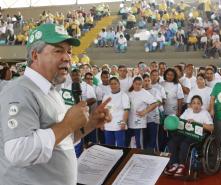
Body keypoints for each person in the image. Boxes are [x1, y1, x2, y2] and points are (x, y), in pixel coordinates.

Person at [0, 23, 111, 185]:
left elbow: (59, 140)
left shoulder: (50, 90)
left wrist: (91, 123)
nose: (67, 57)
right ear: (35, 55)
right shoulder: (20, 90)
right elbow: (18, 151)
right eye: (58, 50)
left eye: (69, 52)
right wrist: (67, 124)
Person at [165, 95, 213, 177]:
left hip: (197, 136)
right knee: (172, 142)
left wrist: (197, 123)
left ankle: (182, 165)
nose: (196, 105)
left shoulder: (205, 113)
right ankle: (174, 164)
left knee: (184, 144)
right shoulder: (187, 111)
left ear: (201, 105)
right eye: (194, 103)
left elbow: (211, 128)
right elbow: (179, 122)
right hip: (185, 133)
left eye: (198, 103)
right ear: (190, 105)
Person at [126, 77, 158, 148]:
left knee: (139, 144)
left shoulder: (144, 93)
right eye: (136, 84)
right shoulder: (129, 93)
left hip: (139, 124)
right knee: (128, 143)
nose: (137, 86)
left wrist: (145, 111)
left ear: (142, 84)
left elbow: (155, 103)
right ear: (133, 84)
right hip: (129, 123)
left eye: (139, 84)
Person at [103, 77, 130, 147]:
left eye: (115, 84)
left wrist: (124, 122)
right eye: (111, 84)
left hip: (119, 125)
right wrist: (102, 123)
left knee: (120, 147)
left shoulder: (124, 95)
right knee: (109, 147)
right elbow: (103, 111)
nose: (113, 86)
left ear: (119, 84)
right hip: (108, 126)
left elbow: (126, 110)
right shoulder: (106, 96)